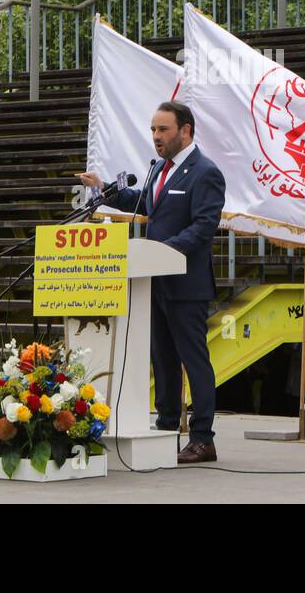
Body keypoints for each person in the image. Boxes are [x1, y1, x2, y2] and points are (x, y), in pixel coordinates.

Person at [76, 100, 226, 464]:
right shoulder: (159, 168)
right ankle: (167, 426)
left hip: (186, 283)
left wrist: (164, 250)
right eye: (154, 130)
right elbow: (143, 203)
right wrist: (105, 190)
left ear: (185, 130)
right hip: (155, 281)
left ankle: (203, 438)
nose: (156, 137)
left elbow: (204, 226)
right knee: (163, 358)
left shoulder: (205, 172)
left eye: (163, 130)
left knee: (194, 360)